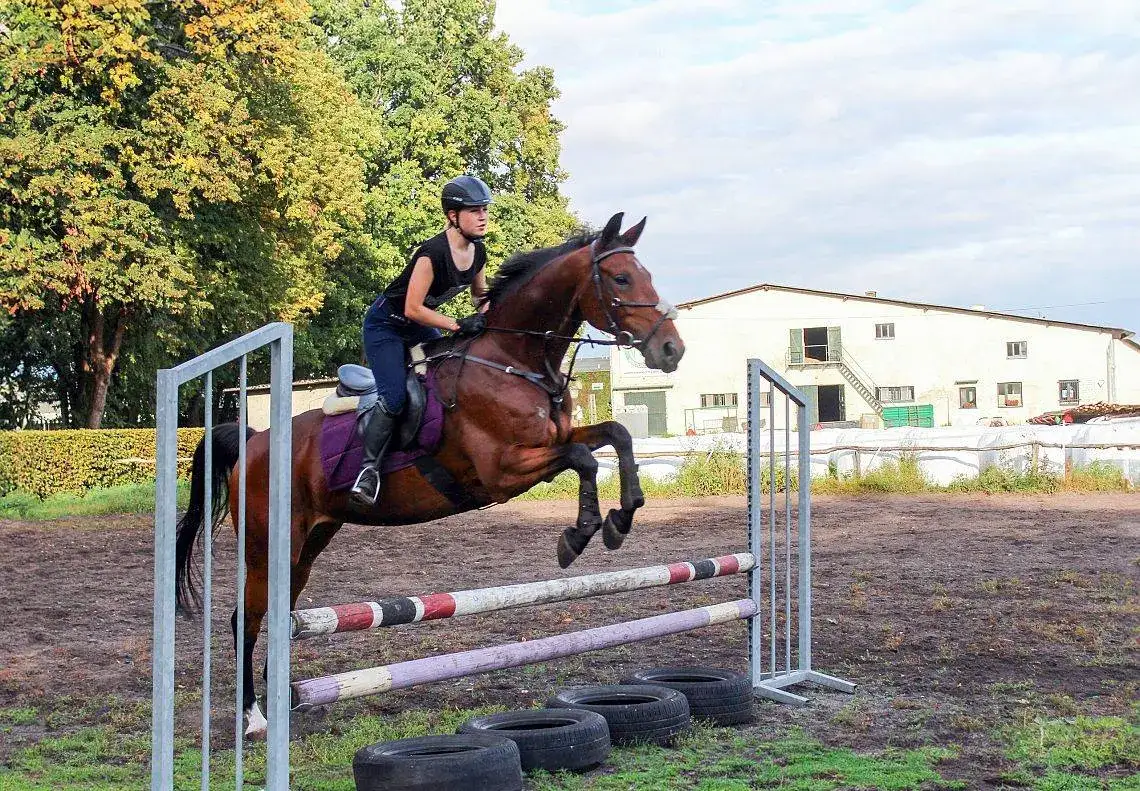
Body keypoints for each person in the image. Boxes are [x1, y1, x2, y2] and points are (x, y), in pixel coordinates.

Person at [350, 175, 493, 506]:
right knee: (395, 396)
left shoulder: (478, 252)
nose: (483, 216)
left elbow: (480, 297)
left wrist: (492, 319)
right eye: (474, 211)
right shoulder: (431, 253)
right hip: (387, 325)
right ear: (452, 216)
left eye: (484, 209)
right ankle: (368, 471)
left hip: (418, 326)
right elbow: (413, 308)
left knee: (447, 376)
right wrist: (457, 325)